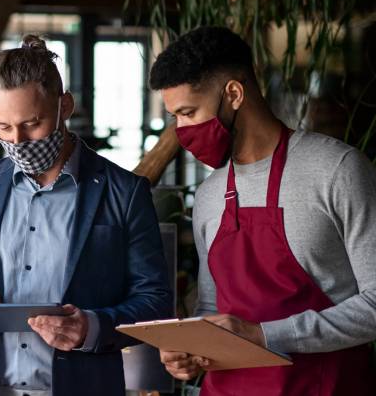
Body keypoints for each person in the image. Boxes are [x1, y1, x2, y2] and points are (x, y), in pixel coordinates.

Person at [0, 35, 172, 396]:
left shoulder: (125, 192)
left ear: (64, 105)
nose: (18, 141)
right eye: (3, 127)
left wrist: (92, 328)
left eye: (31, 123)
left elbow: (155, 301)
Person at [149, 26, 376, 395]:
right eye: (176, 117)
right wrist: (193, 348)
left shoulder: (337, 170)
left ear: (234, 93)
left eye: (189, 112)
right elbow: (211, 305)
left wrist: (263, 335)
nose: (182, 131)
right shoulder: (209, 195)